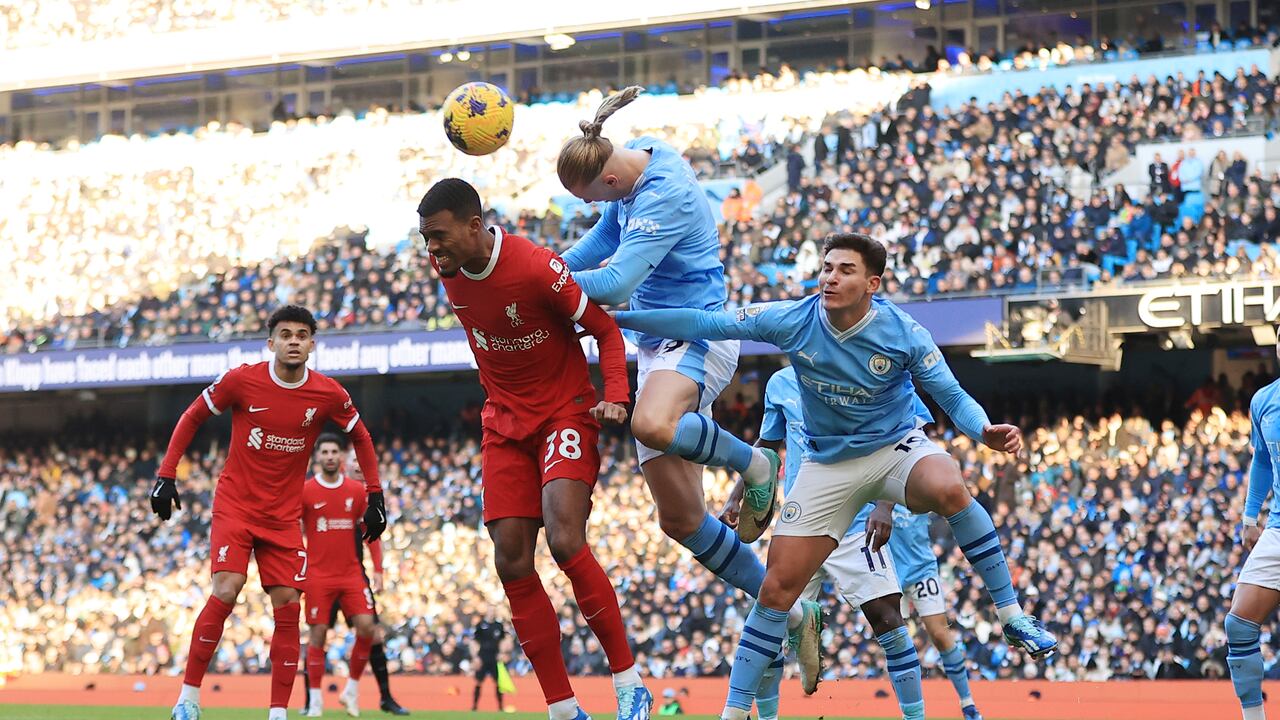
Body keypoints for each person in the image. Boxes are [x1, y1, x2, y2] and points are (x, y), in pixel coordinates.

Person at [611, 232, 1056, 720]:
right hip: (826, 468)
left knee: (948, 483)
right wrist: (618, 318)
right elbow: (703, 322)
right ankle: (735, 713)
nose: (830, 277)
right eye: (826, 267)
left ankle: (1011, 615)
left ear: (872, 283)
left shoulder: (903, 332)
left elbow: (950, 397)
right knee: (776, 591)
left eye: (844, 270)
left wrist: (982, 429)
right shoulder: (794, 319)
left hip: (893, 450)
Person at [553, 87, 819, 685]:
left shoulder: (665, 194)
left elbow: (618, 281)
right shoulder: (637, 159)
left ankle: (754, 464)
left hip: (695, 333)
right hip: (655, 345)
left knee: (651, 423)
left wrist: (549, 288)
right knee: (680, 520)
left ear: (612, 183)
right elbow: (598, 243)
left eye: (596, 198)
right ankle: (798, 611)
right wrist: (538, 267)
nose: (600, 208)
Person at [417, 178, 651, 720]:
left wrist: (617, 396)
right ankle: (563, 708)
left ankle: (629, 685)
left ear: (476, 226)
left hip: (564, 412)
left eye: (439, 236)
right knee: (511, 559)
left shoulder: (535, 267)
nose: (432, 250)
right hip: (503, 427)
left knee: (567, 541)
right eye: (425, 239)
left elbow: (605, 331)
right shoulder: (447, 269)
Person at [151, 304, 386, 720]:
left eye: (301, 335)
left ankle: (278, 713)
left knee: (287, 607)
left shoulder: (328, 393)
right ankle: (188, 698)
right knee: (226, 588)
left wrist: (375, 495)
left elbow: (362, 438)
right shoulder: (243, 380)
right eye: (285, 334)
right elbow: (193, 416)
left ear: (312, 345)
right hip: (236, 507)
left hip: (283, 517)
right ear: (271, 342)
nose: (293, 341)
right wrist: (167, 474)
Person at [720, 366, 940, 720]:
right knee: (769, 622)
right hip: (799, 525)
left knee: (888, 619)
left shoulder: (863, 368)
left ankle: (915, 717)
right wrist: (737, 494)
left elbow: (904, 439)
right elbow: (766, 444)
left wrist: (885, 505)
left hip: (855, 522)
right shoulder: (780, 382)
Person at [299, 435, 408, 717]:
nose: (330, 456)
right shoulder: (305, 491)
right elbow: (292, 528)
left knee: (369, 629)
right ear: (317, 457)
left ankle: (354, 691)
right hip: (319, 576)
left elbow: (371, 534)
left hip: (351, 574)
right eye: (325, 451)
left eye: (335, 451)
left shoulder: (357, 492)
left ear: (341, 456)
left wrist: (379, 569)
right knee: (317, 635)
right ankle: (313, 701)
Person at [1226, 366, 1280, 720]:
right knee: (1239, 623)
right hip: (1277, 527)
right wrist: (1249, 518)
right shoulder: (1264, 399)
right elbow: (1261, 459)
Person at [473, 609, 508, 712]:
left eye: (493, 612)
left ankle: (500, 707)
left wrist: (502, 652)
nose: (491, 613)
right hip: (483, 656)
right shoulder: (480, 625)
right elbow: (475, 641)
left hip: (494, 656)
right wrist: (476, 657)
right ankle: (474, 706)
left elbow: (503, 640)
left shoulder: (498, 625)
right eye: (490, 612)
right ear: (487, 613)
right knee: (479, 681)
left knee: (497, 682)